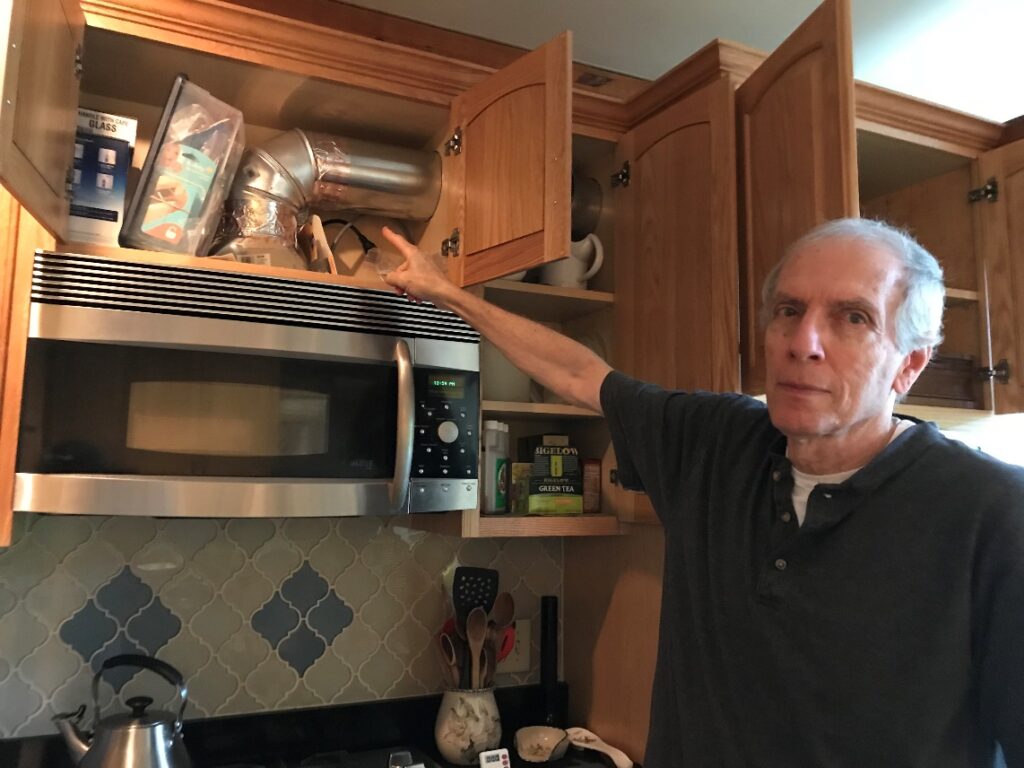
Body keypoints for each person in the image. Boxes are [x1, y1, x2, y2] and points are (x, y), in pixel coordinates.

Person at [379, 219, 1024, 767]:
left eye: (853, 318)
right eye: (789, 311)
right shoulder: (715, 442)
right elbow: (581, 374)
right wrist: (447, 293)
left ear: (910, 364)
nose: (804, 344)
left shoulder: (992, 513)